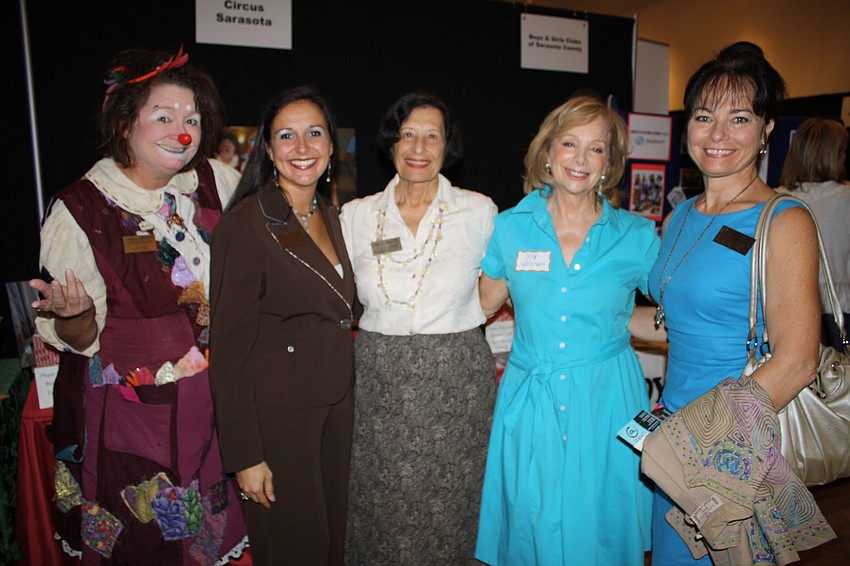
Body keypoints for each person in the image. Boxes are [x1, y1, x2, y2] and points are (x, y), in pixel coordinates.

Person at [28, 48, 248, 563]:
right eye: (164, 117)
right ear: (125, 123)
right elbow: (82, 341)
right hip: (128, 425)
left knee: (209, 543)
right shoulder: (81, 210)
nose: (183, 132)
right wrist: (73, 314)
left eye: (192, 119)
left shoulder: (216, 182)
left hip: (212, 414)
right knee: (146, 545)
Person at [630, 41, 824, 564]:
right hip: (673, 438)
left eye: (739, 118)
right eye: (703, 116)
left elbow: (799, 359)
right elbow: (676, 323)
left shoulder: (783, 221)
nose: (717, 135)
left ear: (765, 131)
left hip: (732, 449)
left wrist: (700, 441)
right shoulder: (681, 216)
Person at [474, 94, 659, 566]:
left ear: (609, 162)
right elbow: (474, 308)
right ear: (548, 152)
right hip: (530, 398)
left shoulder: (636, 237)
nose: (580, 159)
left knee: (602, 523)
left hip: (606, 398)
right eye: (570, 143)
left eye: (596, 149)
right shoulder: (510, 228)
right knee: (531, 519)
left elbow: (661, 316)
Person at [340, 91, 497, 564]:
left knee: (451, 502)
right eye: (409, 134)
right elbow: (340, 293)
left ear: (448, 147)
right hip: (377, 379)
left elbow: (498, 286)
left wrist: (461, 323)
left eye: (433, 136)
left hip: (456, 380)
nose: (419, 147)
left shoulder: (478, 211)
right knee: (377, 500)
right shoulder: (357, 215)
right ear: (392, 142)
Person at [208, 85, 360, 565]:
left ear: (331, 146)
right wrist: (245, 456)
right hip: (279, 416)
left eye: (314, 134)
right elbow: (228, 351)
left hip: (335, 405)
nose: (302, 148)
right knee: (296, 546)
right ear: (269, 150)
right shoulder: (248, 223)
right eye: (287, 136)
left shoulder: (330, 215)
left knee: (330, 540)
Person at [778, 117, 849, 352]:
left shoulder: (773, 199)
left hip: (780, 316)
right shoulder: (845, 199)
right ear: (833, 155)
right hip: (835, 316)